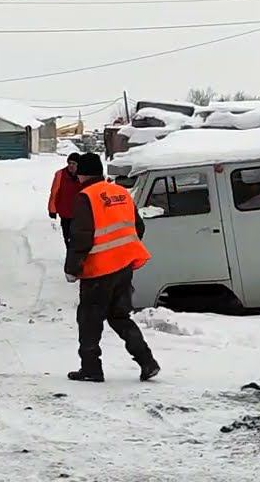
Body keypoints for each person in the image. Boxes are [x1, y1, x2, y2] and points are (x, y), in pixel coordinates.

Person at [64, 152, 160, 383]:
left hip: (99, 270)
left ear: (83, 174)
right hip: (124, 266)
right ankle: (147, 362)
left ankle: (91, 368)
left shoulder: (86, 196)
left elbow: (81, 237)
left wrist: (72, 268)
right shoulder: (120, 192)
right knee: (119, 316)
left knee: (89, 319)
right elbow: (138, 227)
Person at [48, 153, 82, 245]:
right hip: (65, 213)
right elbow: (54, 193)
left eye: (74, 163)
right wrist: (52, 210)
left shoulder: (84, 176)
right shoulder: (60, 174)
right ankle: (71, 257)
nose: (71, 166)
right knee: (68, 238)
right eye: (69, 163)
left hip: (80, 214)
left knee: (79, 240)